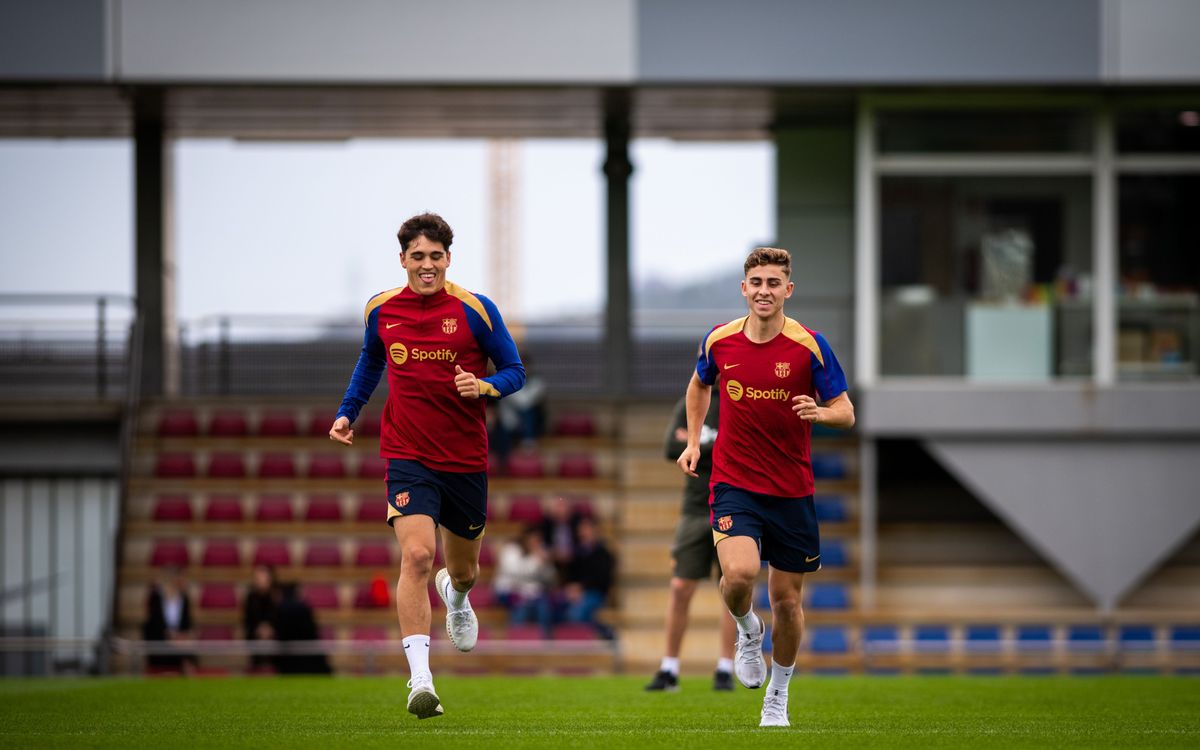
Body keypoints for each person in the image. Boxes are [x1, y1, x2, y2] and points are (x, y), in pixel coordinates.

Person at [329, 212, 526, 719]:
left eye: (435, 256)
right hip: (407, 455)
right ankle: (421, 680)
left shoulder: (475, 310)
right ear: (402, 260)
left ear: (448, 259)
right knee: (417, 556)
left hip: (464, 460)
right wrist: (349, 411)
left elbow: (515, 371)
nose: (427, 265)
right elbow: (371, 360)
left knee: (463, 570)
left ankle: (456, 598)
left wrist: (484, 386)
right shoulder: (380, 310)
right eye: (417, 256)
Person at [676, 247, 854, 728]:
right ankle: (746, 629)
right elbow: (698, 386)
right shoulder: (720, 341)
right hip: (734, 482)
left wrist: (820, 412)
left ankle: (777, 695)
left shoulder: (810, 346)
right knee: (738, 575)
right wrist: (694, 442)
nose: (764, 291)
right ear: (744, 288)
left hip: (792, 490)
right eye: (756, 282)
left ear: (788, 290)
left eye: (774, 283)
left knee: (788, 604)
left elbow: (846, 409)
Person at [645, 394, 738, 692]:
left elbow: (744, 451)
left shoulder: (739, 399)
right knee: (680, 587)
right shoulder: (693, 401)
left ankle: (726, 668)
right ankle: (669, 668)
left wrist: (696, 444)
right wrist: (717, 446)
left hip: (734, 507)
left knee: (733, 590)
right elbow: (672, 447)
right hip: (695, 509)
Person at [493, 525, 558, 636]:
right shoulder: (511, 549)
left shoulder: (540, 553)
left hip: (530, 594)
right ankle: (516, 641)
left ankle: (545, 643)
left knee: (544, 607)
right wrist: (536, 560)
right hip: (507, 591)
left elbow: (550, 578)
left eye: (538, 540)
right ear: (525, 538)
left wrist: (546, 563)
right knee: (521, 607)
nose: (535, 543)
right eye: (533, 539)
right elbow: (515, 572)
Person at [563, 516, 615, 639]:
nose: (583, 533)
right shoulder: (576, 554)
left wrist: (582, 588)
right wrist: (572, 589)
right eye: (581, 530)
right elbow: (570, 576)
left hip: (595, 593)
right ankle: (603, 630)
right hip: (574, 593)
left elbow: (603, 579)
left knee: (576, 614)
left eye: (586, 529)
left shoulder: (604, 554)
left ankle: (602, 632)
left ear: (595, 531)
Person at [142, 566, 196, 674]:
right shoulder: (156, 596)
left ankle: (185, 668)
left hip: (178, 637)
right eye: (181, 578)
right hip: (159, 634)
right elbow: (153, 620)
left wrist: (184, 634)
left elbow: (187, 621)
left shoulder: (184, 598)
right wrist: (169, 634)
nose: (184, 581)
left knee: (186, 643)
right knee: (172, 643)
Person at [243, 563, 277, 671]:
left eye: (263, 577)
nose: (260, 580)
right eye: (258, 577)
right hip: (255, 636)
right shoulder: (251, 598)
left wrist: (270, 629)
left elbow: (279, 618)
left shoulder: (276, 597)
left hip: (275, 637)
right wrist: (259, 629)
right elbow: (248, 620)